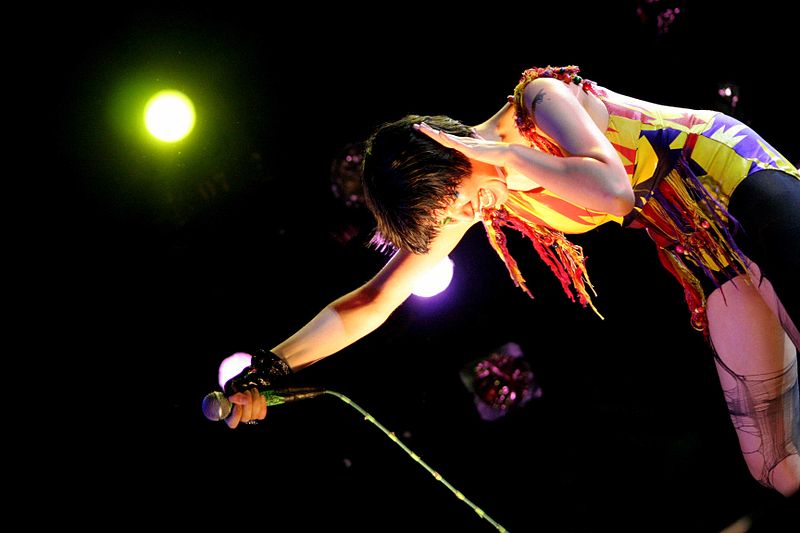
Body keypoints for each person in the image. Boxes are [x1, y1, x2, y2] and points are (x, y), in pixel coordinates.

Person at [223, 65, 800, 497]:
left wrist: (511, 158)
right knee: (778, 468)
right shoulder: (474, 192)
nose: (468, 213)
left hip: (731, 176)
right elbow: (373, 301)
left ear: (452, 153)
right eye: (451, 214)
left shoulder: (539, 99)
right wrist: (271, 367)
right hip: (694, 245)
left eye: (458, 200)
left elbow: (614, 192)